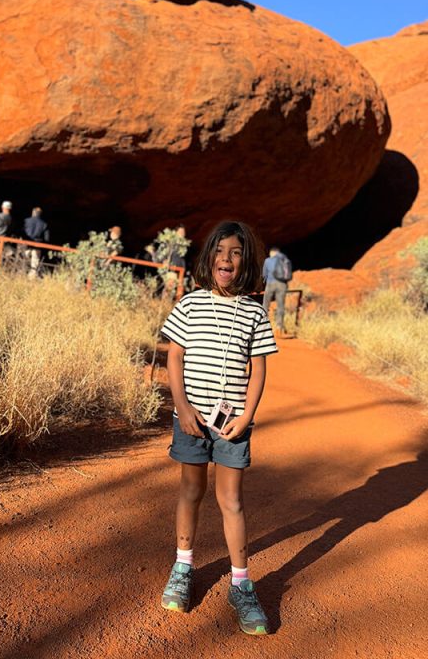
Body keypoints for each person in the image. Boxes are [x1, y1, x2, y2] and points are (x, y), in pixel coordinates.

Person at [160, 221, 277, 635]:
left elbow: (258, 369)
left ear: (246, 262)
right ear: (209, 257)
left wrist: (246, 416)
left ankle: (241, 585)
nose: (227, 259)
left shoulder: (253, 311)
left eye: (236, 253)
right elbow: (174, 358)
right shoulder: (190, 304)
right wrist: (182, 406)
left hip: (233, 424)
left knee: (232, 501)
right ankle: (183, 567)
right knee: (191, 491)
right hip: (189, 419)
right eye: (220, 251)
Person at [262, 246, 292, 336]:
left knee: (265, 305)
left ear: (272, 252)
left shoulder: (267, 260)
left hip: (270, 283)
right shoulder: (284, 259)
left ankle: (262, 327)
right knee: (280, 306)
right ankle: (279, 327)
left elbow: (264, 274)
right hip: (282, 284)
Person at [23, 206, 50, 279]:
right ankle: (30, 280)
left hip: (26, 245)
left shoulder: (26, 221)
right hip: (37, 246)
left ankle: (21, 277)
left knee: (24, 262)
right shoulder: (44, 224)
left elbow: (21, 233)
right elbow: (47, 239)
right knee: (34, 266)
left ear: (33, 212)